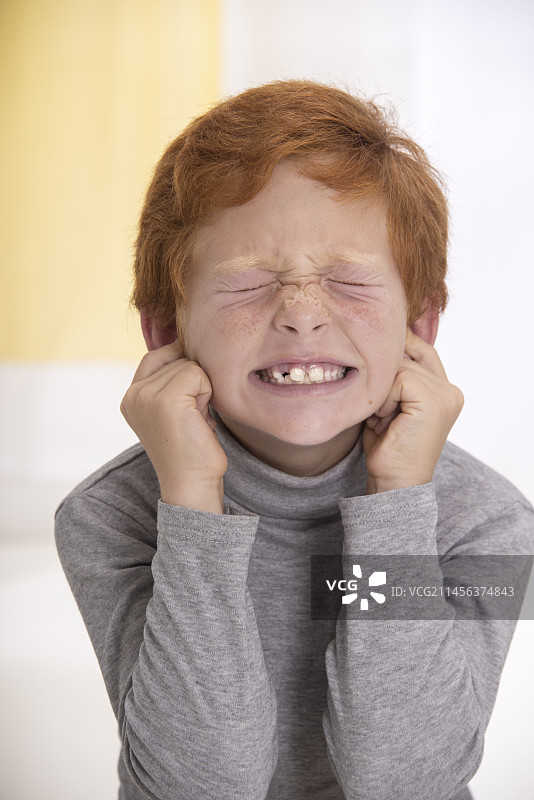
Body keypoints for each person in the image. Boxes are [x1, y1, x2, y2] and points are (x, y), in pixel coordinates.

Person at [55, 80, 534, 800]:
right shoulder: (107, 518)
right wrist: (191, 504)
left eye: (348, 280)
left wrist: (400, 506)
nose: (303, 316)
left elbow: (405, 780)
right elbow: (204, 784)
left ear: (421, 326)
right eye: (249, 283)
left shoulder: (491, 523)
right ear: (165, 329)